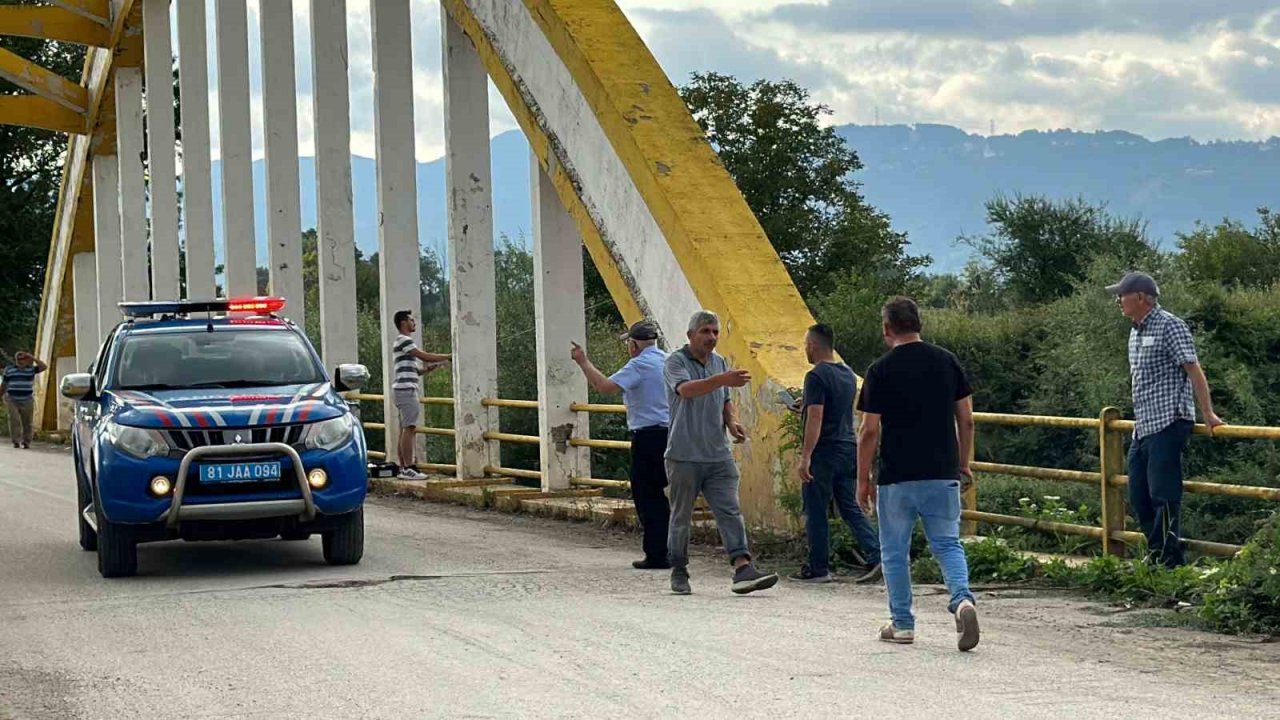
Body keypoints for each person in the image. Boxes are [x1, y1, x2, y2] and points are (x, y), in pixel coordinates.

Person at [856, 297, 979, 652]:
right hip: (942, 472)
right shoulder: (947, 362)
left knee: (894, 551)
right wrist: (963, 462)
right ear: (918, 324)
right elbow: (966, 419)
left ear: (886, 329)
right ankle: (962, 600)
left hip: (897, 475)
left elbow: (868, 431)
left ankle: (903, 624)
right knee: (947, 543)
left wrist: (862, 479)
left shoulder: (879, 370)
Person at [1108, 271, 1224, 568]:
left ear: (1141, 297)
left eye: (1122, 295)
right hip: (1143, 424)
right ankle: (1158, 552)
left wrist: (1207, 413)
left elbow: (1193, 369)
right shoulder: (1135, 331)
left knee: (1163, 493)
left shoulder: (1170, 325)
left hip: (1169, 420)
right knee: (1138, 494)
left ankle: (1167, 560)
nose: (1119, 301)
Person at [664, 310, 778, 595]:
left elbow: (725, 400)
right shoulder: (675, 362)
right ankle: (679, 569)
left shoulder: (720, 363)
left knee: (730, 510)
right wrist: (722, 379)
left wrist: (732, 422)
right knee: (681, 515)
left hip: (718, 454)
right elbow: (686, 390)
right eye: (705, 331)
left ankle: (742, 567)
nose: (712, 337)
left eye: (715, 332)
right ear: (690, 335)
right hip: (684, 454)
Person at [571, 320, 671, 569]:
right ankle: (675, 549)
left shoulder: (638, 365)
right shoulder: (670, 361)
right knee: (673, 495)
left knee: (648, 495)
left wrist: (583, 361)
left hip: (648, 437)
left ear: (634, 344)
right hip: (675, 433)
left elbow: (604, 386)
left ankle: (657, 554)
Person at [791, 323, 882, 584]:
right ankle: (878, 555)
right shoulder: (848, 375)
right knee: (850, 507)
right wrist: (806, 406)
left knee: (816, 508)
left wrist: (806, 455)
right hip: (847, 447)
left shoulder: (816, 376)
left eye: (806, 345)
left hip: (824, 451)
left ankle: (818, 568)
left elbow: (817, 417)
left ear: (813, 345)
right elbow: (833, 409)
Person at [391, 310, 450, 480]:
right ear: (403, 322)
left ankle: (403, 468)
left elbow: (414, 368)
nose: (414, 323)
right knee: (409, 429)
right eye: (411, 320)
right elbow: (422, 355)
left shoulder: (401, 343)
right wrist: (448, 356)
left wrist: (426, 370)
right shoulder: (405, 340)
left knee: (404, 429)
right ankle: (409, 468)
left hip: (402, 389)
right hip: (406, 390)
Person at [0, 350, 48, 450]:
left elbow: (44, 367)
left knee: (27, 421)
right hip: (12, 398)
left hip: (27, 398)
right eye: (18, 359)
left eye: (23, 359)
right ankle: (16, 441)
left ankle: (26, 441)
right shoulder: (9, 369)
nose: (20, 361)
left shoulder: (31, 370)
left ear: (27, 360)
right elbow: (4, 384)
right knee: (14, 419)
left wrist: (33, 358)